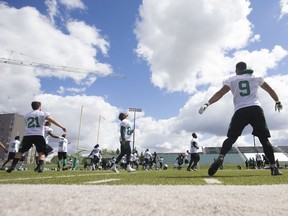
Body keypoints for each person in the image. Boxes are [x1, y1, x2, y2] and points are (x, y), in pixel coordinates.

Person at [199, 61, 283, 176]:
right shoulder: (255, 77)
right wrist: (277, 101)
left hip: (240, 110)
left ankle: (221, 156)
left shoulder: (232, 79)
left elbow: (220, 93)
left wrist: (207, 103)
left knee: (232, 137)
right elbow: (270, 90)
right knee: (264, 140)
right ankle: (274, 168)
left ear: (237, 69)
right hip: (256, 109)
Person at [6, 101, 66, 173]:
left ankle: (12, 166)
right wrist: (62, 127)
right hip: (38, 134)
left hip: (28, 135)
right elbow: (52, 120)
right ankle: (40, 167)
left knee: (21, 151)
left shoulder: (27, 115)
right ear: (40, 106)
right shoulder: (42, 113)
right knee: (41, 152)